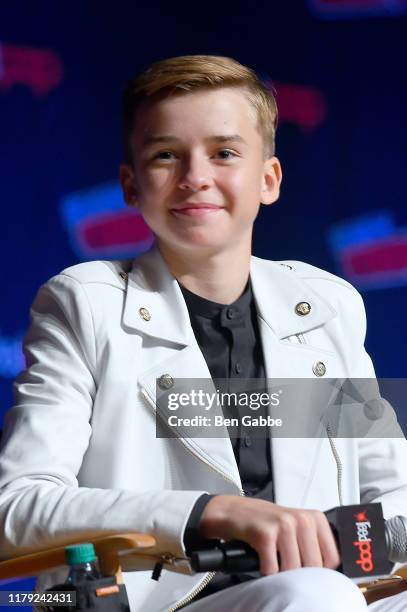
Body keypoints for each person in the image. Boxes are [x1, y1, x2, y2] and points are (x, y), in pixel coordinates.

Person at [0, 55, 406, 612]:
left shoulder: (327, 304)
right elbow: (16, 507)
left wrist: (356, 543)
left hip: (337, 591)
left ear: (269, 179)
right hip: (153, 602)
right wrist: (209, 511)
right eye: (166, 155)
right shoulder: (83, 302)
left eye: (224, 153)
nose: (195, 177)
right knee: (315, 594)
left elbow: (395, 498)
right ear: (131, 184)